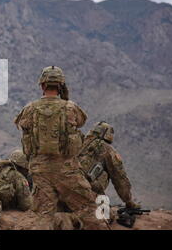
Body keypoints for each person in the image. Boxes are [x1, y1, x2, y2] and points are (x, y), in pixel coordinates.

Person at [14, 66, 108, 230]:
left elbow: (22, 125)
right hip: (66, 169)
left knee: (44, 213)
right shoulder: (70, 107)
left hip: (40, 169)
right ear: (60, 86)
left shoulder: (30, 108)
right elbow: (80, 121)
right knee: (88, 209)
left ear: (42, 86)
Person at [78, 121, 138, 209]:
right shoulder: (107, 149)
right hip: (89, 191)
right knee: (106, 216)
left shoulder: (79, 144)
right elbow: (119, 178)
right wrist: (128, 201)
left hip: (68, 188)